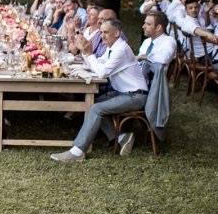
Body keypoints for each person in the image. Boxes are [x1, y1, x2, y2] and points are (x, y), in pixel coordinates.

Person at [51, 18, 148, 162]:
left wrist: (89, 53)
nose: (102, 36)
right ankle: (121, 137)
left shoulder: (121, 49)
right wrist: (85, 51)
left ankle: (77, 152)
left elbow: (101, 72)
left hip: (135, 96)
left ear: (117, 33)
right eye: (101, 32)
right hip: (124, 92)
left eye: (106, 32)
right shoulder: (112, 47)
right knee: (93, 103)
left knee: (96, 109)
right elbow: (96, 65)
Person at [137, 11, 177, 79]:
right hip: (139, 78)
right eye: (145, 23)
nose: (143, 26)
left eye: (148, 24)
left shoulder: (169, 41)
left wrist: (145, 57)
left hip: (154, 83)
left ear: (158, 27)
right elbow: (139, 63)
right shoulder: (146, 41)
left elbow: (164, 59)